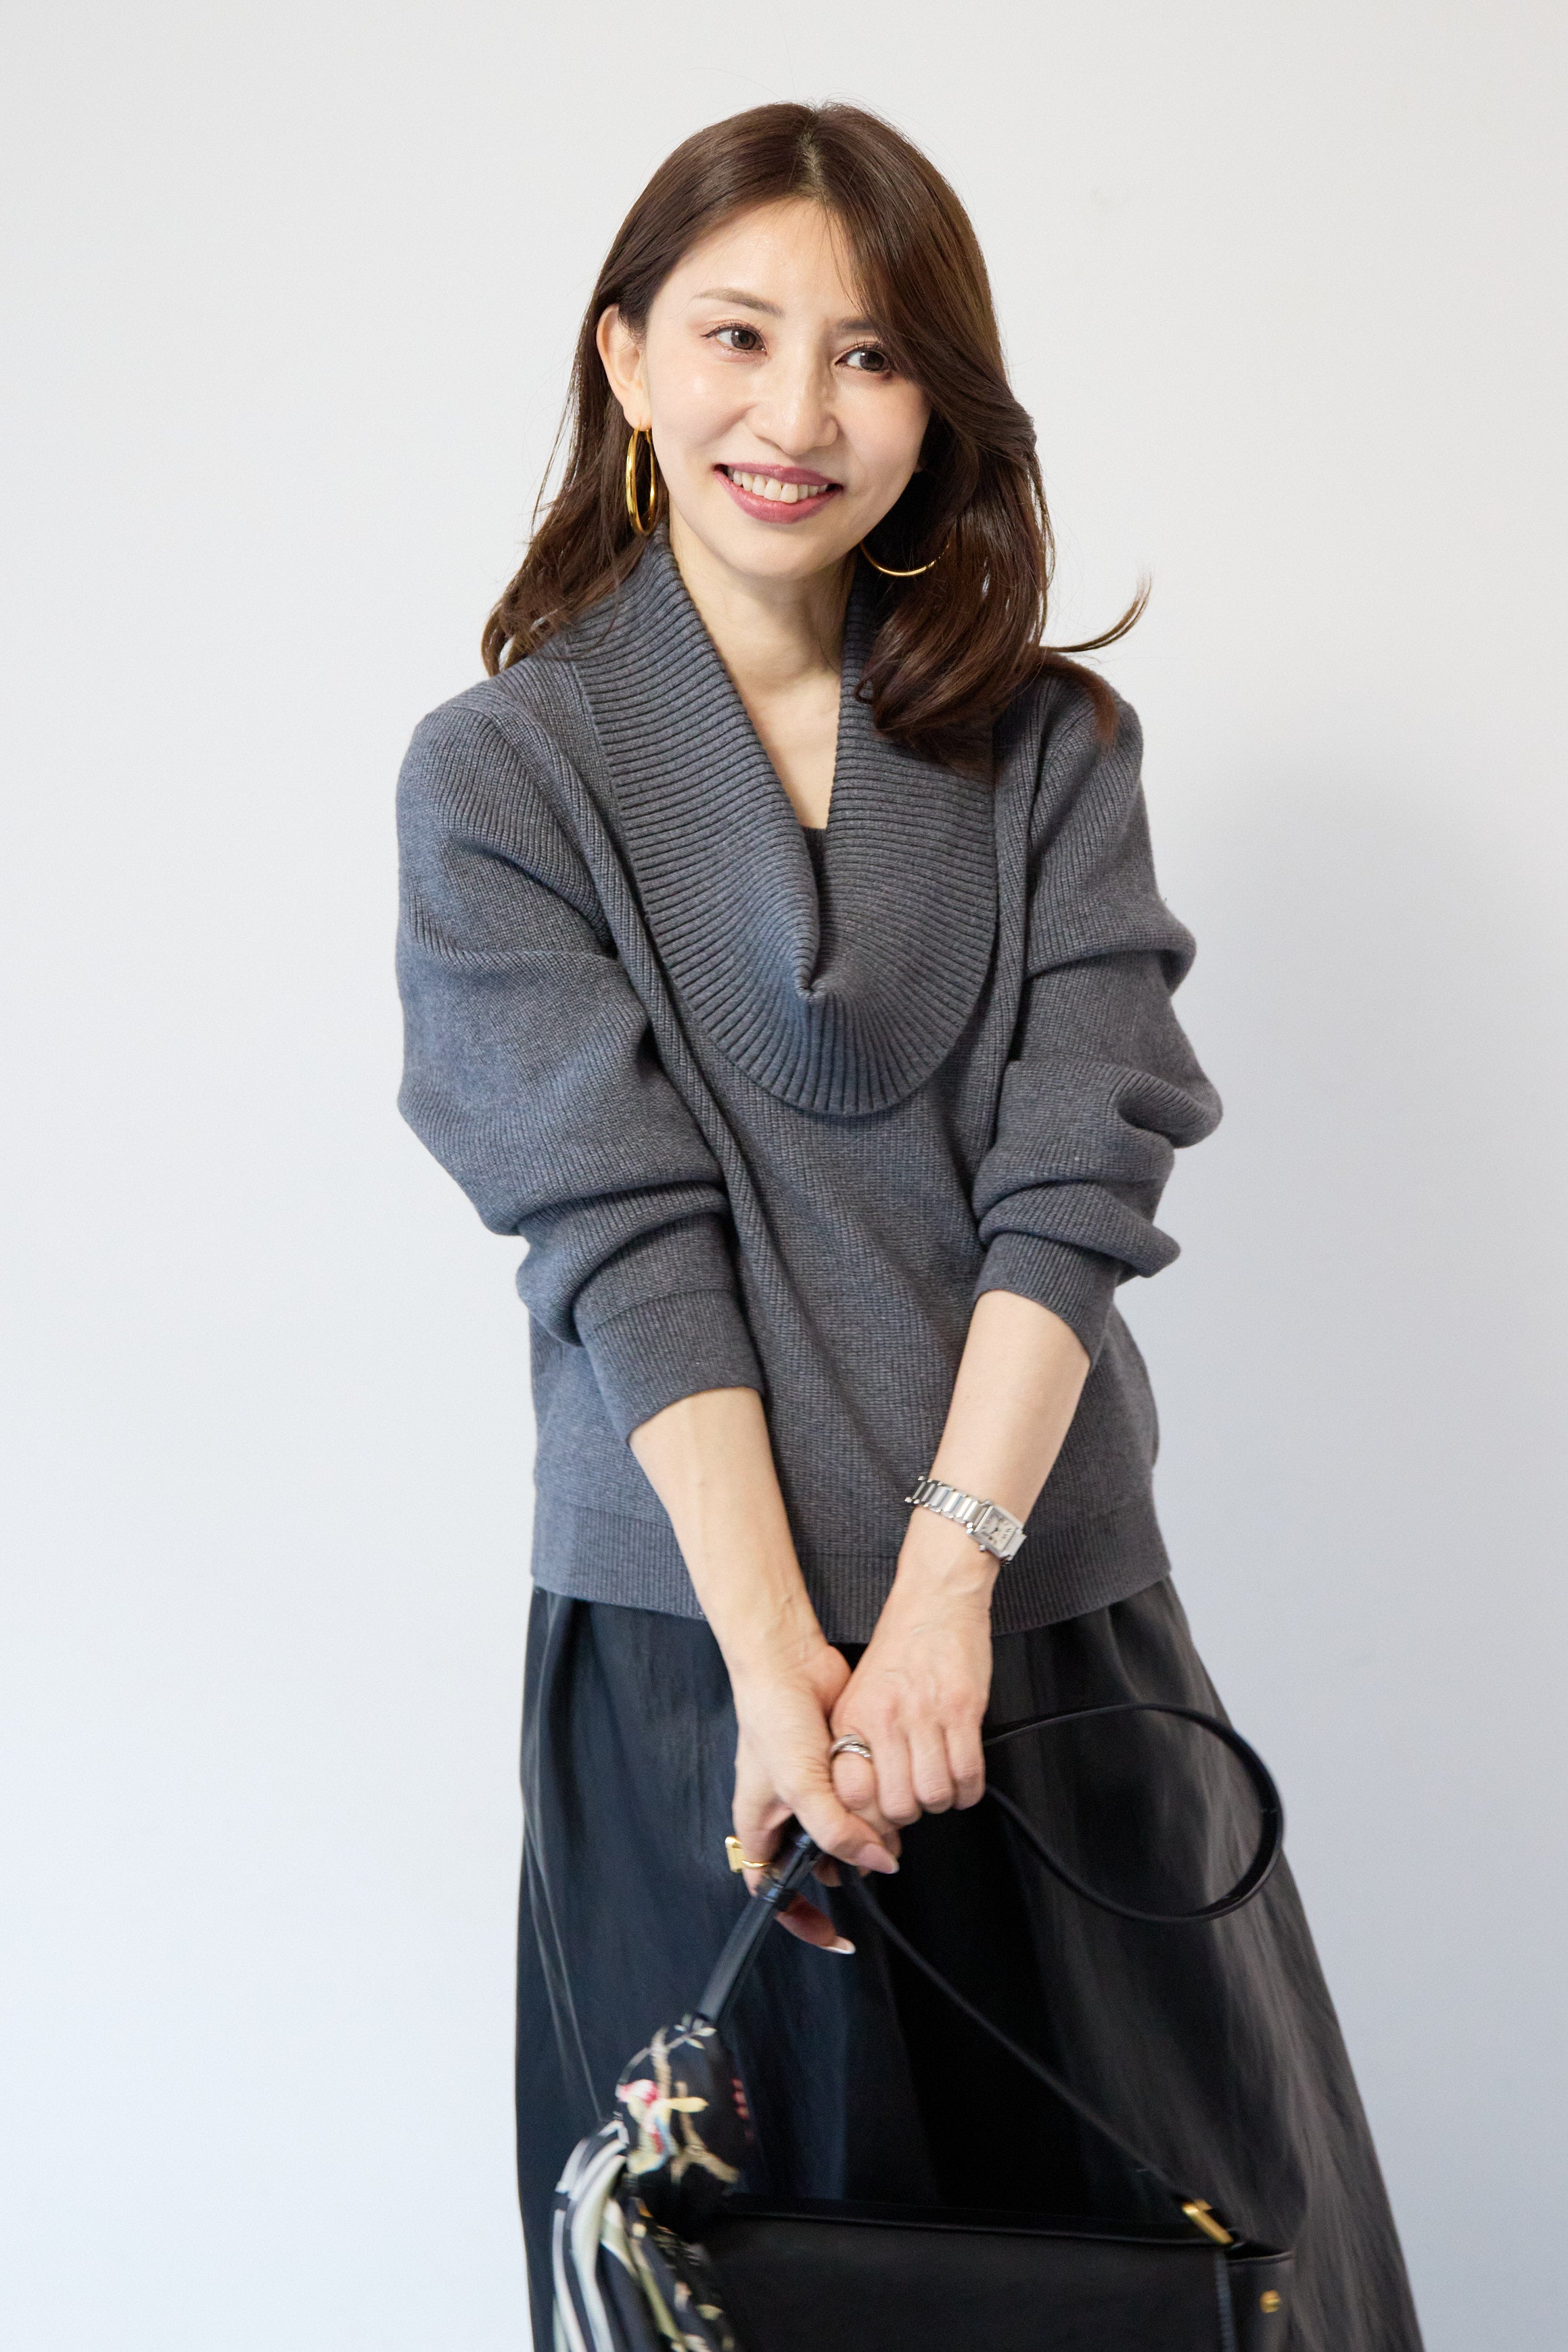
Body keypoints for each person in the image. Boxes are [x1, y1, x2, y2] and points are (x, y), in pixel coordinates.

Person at [396, 101, 1423, 2352]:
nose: (796, 413)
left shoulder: (1051, 748)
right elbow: (618, 1229)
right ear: (624, 358)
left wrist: (950, 1585)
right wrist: (784, 1662)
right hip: (693, 1659)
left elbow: (1080, 1174)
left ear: (940, 403)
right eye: (736, 335)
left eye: (867, 355)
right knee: (748, 2284)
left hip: (1043, 1628)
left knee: (1205, 2266)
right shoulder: (505, 774)